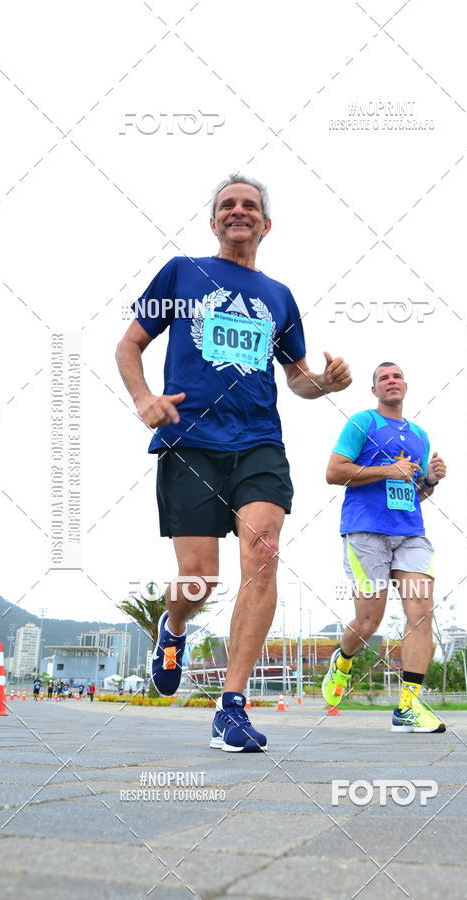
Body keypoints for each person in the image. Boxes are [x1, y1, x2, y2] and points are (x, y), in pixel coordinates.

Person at [116, 174, 351, 752]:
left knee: (263, 556)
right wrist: (145, 399)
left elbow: (296, 378)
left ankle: (231, 706)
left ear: (266, 225)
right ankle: (173, 631)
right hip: (190, 441)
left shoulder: (279, 296)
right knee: (200, 580)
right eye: (227, 205)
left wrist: (322, 382)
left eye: (249, 205)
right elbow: (128, 345)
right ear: (213, 220)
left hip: (259, 443)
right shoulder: (182, 274)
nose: (238, 211)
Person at [322, 362, 447, 733]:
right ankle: (342, 662)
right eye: (383, 378)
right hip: (365, 531)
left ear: (405, 386)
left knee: (422, 611)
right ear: (374, 390)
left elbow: (414, 493)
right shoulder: (362, 423)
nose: (391, 382)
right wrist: (387, 470)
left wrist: (432, 480)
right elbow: (333, 472)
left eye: (396, 376)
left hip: (409, 532)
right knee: (368, 621)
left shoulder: (420, 435)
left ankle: (408, 706)